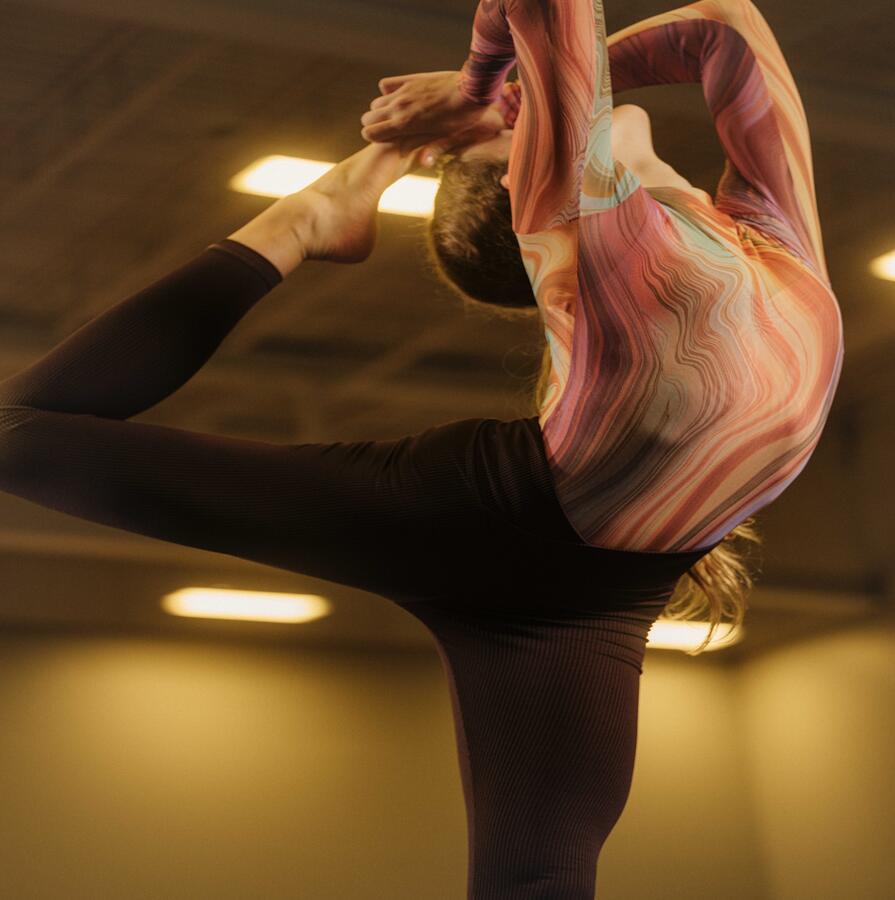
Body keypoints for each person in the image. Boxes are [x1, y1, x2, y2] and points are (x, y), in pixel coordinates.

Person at [0, 2, 842, 898]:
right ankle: (304, 220)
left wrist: (500, 91)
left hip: (591, 583)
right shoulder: (604, 226)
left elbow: (724, 26)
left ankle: (317, 216)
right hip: (514, 532)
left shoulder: (737, 231)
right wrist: (491, 91)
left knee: (534, 883)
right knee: (13, 438)